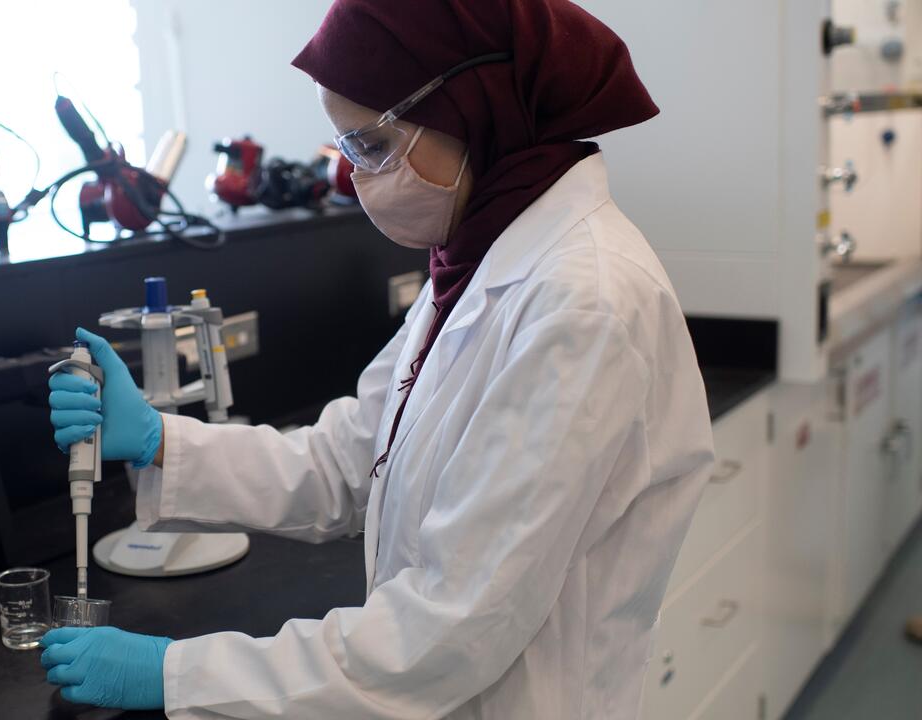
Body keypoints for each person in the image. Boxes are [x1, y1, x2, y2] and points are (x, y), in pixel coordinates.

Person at [39, 0, 715, 717]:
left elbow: (447, 631)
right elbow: (350, 458)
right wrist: (160, 442)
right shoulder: (475, 263)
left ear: (469, 111)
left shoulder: (582, 305)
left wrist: (179, 674)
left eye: (370, 146)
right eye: (346, 150)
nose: (358, 178)